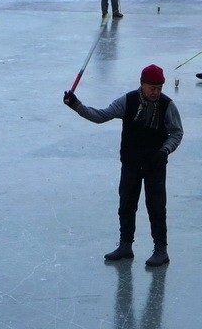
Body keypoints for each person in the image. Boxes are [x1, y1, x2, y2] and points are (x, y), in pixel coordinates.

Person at [63, 64, 183, 267]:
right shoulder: (128, 101)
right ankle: (126, 246)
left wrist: (165, 150)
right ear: (142, 84)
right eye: (152, 87)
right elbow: (101, 116)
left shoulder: (167, 105)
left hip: (155, 165)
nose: (156, 92)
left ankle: (161, 250)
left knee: (156, 208)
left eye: (159, 88)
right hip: (131, 163)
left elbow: (177, 132)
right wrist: (77, 106)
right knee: (126, 205)